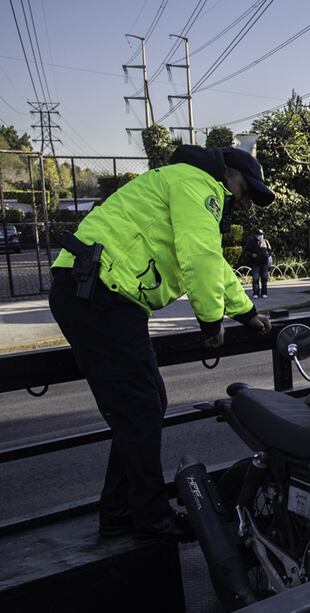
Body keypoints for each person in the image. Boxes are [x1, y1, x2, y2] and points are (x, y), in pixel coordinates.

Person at [49, 145, 275, 541]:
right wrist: (210, 323)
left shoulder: (182, 182)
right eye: (246, 191)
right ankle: (150, 520)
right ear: (231, 175)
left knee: (146, 404)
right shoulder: (199, 184)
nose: (244, 202)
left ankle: (120, 510)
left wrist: (246, 312)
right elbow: (199, 257)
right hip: (99, 293)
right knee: (140, 407)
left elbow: (215, 265)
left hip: (96, 291)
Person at [243, 228, 272, 298]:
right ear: (255, 235)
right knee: (255, 279)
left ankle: (264, 293)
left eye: (261, 234)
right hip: (255, 263)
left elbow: (270, 251)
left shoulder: (266, 242)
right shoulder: (251, 242)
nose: (260, 236)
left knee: (264, 279)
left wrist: (268, 254)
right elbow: (246, 252)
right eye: (258, 234)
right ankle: (255, 293)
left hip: (264, 263)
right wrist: (251, 255)